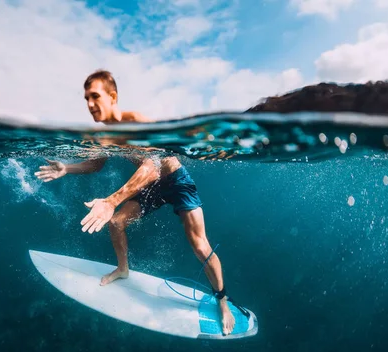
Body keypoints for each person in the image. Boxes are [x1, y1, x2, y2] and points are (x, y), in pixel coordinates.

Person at [34, 70, 236, 335]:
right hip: (149, 185)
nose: (90, 104)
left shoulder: (136, 122)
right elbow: (95, 165)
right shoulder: (103, 137)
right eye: (86, 98)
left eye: (95, 96)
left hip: (175, 180)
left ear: (113, 96)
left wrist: (110, 200)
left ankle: (222, 300)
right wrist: (66, 169)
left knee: (199, 245)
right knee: (117, 223)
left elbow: (152, 167)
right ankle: (123, 269)